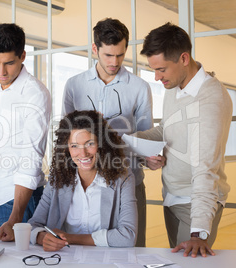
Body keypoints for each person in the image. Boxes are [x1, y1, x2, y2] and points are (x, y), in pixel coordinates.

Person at [137, 22, 232, 257]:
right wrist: (123, 138)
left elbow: (205, 169)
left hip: (193, 204)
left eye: (162, 69)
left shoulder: (209, 101)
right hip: (172, 196)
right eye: (154, 70)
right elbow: (166, 129)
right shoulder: (176, 87)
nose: (157, 77)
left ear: (184, 58)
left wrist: (198, 234)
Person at [61, 18, 152, 247]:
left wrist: (150, 157)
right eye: (108, 55)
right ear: (95, 49)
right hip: (85, 185)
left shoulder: (140, 87)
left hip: (128, 183)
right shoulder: (74, 85)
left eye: (120, 55)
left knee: (131, 250)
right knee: (80, 253)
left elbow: (146, 138)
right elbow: (66, 137)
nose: (115, 62)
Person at [0, 23, 51, 241]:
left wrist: (15, 218)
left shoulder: (35, 94)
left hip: (17, 199)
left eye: (9, 63)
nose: (1, 72)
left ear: (22, 56)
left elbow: (31, 158)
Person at [28, 110, 137, 251]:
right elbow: (33, 225)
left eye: (90, 143)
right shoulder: (57, 178)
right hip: (63, 258)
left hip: (104, 260)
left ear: (102, 144)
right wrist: (42, 237)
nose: (83, 153)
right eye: (74, 146)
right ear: (66, 148)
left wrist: (70, 238)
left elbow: (128, 236)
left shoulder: (123, 178)